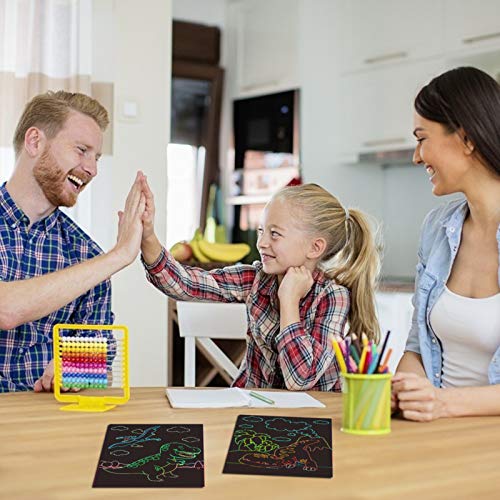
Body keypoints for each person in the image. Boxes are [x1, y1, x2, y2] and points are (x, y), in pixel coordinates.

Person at [140, 179, 380, 390]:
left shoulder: (333, 297)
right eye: (261, 231)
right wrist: (148, 237)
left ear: (315, 247)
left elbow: (301, 378)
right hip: (253, 408)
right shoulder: (256, 279)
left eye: (275, 234)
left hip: (311, 421)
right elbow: (185, 284)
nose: (262, 243)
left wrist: (289, 302)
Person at [0, 90, 147, 392]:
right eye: (81, 150)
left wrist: (76, 371)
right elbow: (7, 309)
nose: (92, 169)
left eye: (96, 157)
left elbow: (99, 366)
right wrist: (118, 256)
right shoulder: (99, 263)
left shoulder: (85, 255)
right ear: (35, 141)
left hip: (44, 424)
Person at [392, 67, 500, 421]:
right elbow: (416, 348)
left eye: (422, 138)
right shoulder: (438, 228)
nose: (417, 156)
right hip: (438, 436)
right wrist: (407, 390)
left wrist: (441, 403)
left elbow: (440, 402)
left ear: (467, 139)